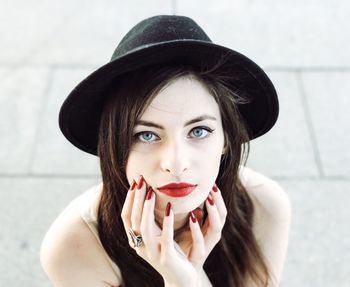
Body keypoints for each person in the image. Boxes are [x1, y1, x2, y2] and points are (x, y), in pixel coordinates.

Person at [40, 15, 291, 287]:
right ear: (117, 146)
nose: (176, 163)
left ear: (227, 139)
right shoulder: (72, 246)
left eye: (198, 131)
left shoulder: (264, 205)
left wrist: (187, 276)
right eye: (147, 135)